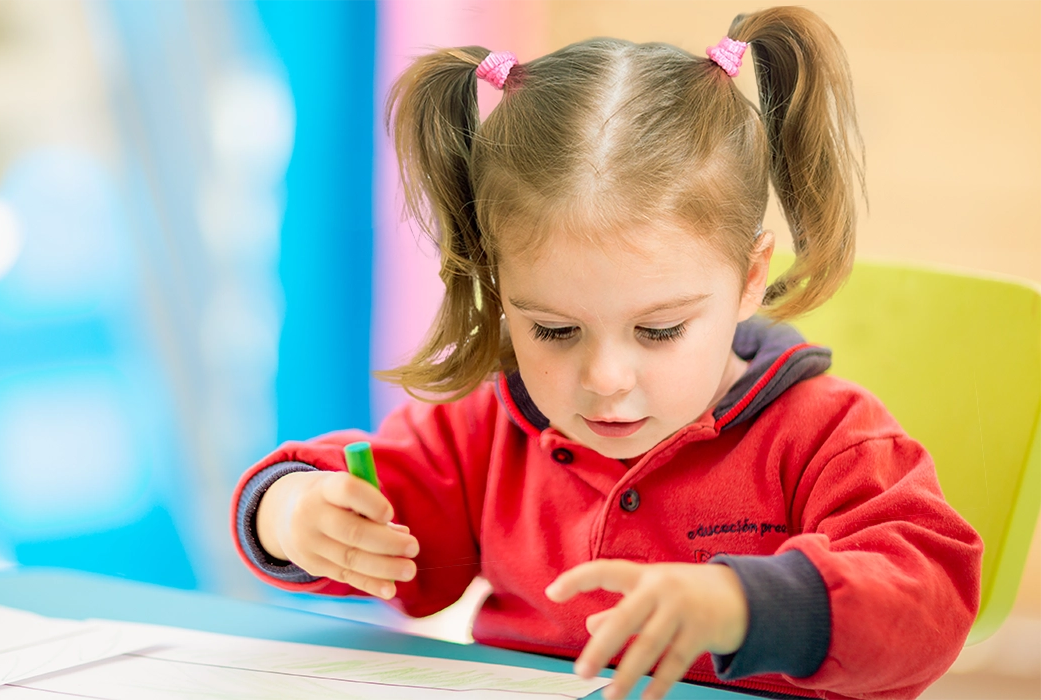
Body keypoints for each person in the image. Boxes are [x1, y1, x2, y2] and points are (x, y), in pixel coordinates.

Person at [230, 7, 982, 700]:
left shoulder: (829, 437)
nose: (605, 380)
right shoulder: (494, 425)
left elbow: (930, 598)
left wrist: (745, 606)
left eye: (658, 332)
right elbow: (383, 515)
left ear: (752, 277)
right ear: (498, 282)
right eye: (554, 331)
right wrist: (292, 512)